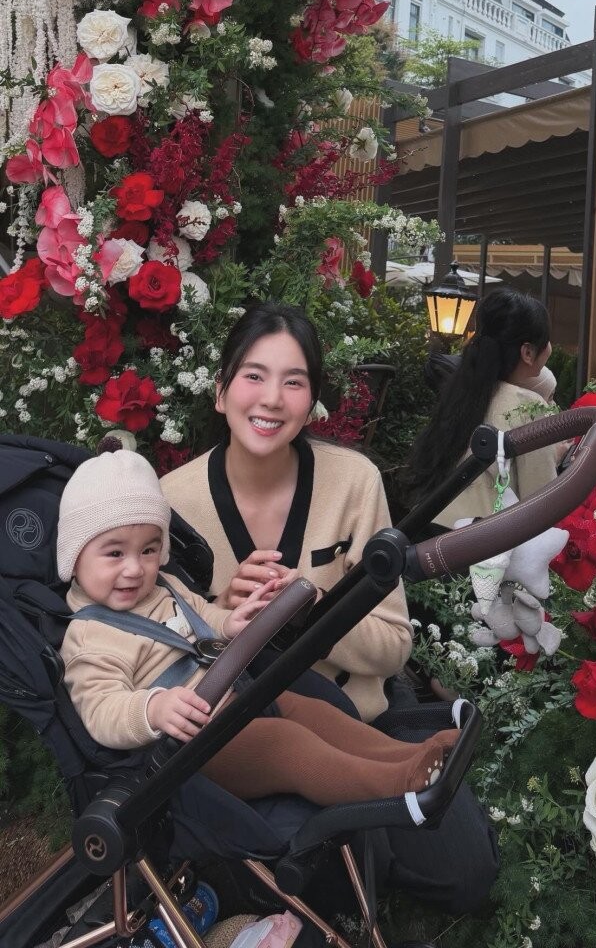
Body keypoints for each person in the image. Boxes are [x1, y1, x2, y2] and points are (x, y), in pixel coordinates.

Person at [160, 301, 499, 913]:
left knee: (466, 873)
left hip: (363, 719)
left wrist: (313, 608)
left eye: (294, 382)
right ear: (221, 392)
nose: (271, 399)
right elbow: (159, 647)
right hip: (248, 729)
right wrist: (222, 613)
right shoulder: (172, 503)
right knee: (310, 853)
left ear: (313, 400)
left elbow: (394, 646)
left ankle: (359, 841)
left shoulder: (352, 482)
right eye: (254, 376)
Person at [57, 449, 458, 806]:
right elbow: (101, 709)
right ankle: (396, 783)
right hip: (192, 749)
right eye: (114, 553)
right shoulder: (89, 635)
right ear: (74, 558)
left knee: (315, 712)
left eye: (148, 550)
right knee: (286, 744)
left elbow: (201, 614)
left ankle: (411, 754)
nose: (134, 568)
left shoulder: (164, 585)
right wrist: (153, 709)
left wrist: (228, 621)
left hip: (236, 699)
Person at [406, 289, 559, 529]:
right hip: (480, 543)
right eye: (547, 340)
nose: (550, 347)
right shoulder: (528, 405)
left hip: (428, 531)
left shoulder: (462, 392)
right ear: (528, 352)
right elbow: (543, 503)